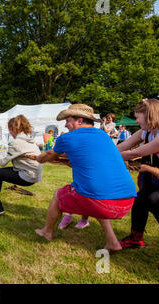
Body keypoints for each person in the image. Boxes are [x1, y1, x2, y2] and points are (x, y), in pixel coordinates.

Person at [29, 104, 136, 252]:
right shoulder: (103, 135)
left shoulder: (66, 138)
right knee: (95, 196)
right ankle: (112, 241)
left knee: (59, 195)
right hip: (127, 201)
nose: (66, 125)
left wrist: (37, 158)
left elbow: (48, 156)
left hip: (102, 201)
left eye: (68, 120)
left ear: (79, 120)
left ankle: (46, 231)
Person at [117, 98, 159, 275]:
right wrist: (103, 152)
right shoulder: (148, 131)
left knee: (156, 200)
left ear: (150, 115)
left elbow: (136, 153)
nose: (136, 121)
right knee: (141, 198)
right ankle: (136, 237)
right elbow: (125, 145)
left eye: (138, 117)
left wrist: (105, 158)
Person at [0, 115, 43, 218]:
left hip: (27, 176)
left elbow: (2, 162)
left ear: (12, 129)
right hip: (34, 175)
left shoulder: (16, 142)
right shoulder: (29, 139)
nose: (9, 132)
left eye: (9, 130)